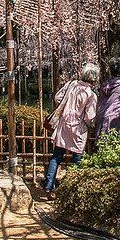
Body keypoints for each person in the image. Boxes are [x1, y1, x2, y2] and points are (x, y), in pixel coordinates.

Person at [43, 62, 99, 200]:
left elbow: (57, 97)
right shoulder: (90, 95)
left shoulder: (71, 84)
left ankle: (49, 188)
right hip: (78, 128)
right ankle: (76, 190)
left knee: (56, 157)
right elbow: (90, 116)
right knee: (78, 159)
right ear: (94, 79)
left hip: (63, 125)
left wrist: (64, 108)